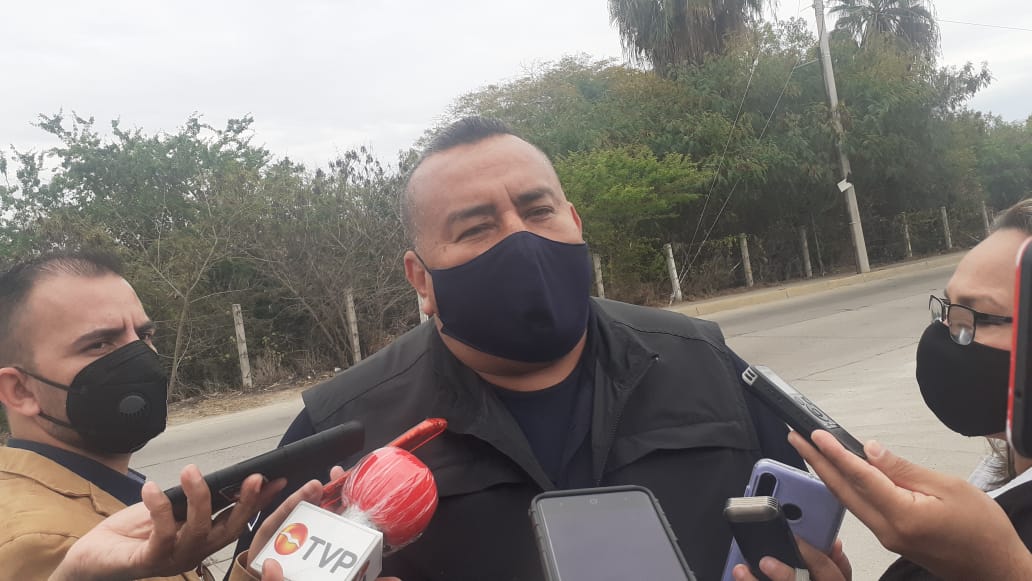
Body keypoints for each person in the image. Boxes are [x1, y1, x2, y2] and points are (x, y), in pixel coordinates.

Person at [234, 116, 805, 581]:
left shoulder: (709, 366)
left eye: (538, 211)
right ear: (421, 279)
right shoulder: (342, 430)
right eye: (476, 228)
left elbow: (800, 543)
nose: (521, 239)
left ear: (574, 222)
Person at [731, 198, 1032, 581]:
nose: (945, 336)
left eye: (975, 316)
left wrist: (1002, 567)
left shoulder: (1000, 535)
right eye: (947, 310)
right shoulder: (996, 481)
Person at [0, 252, 335, 580]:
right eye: (100, 344)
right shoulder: (38, 543)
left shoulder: (100, 487)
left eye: (143, 336)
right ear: (20, 391)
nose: (141, 358)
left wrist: (254, 570)